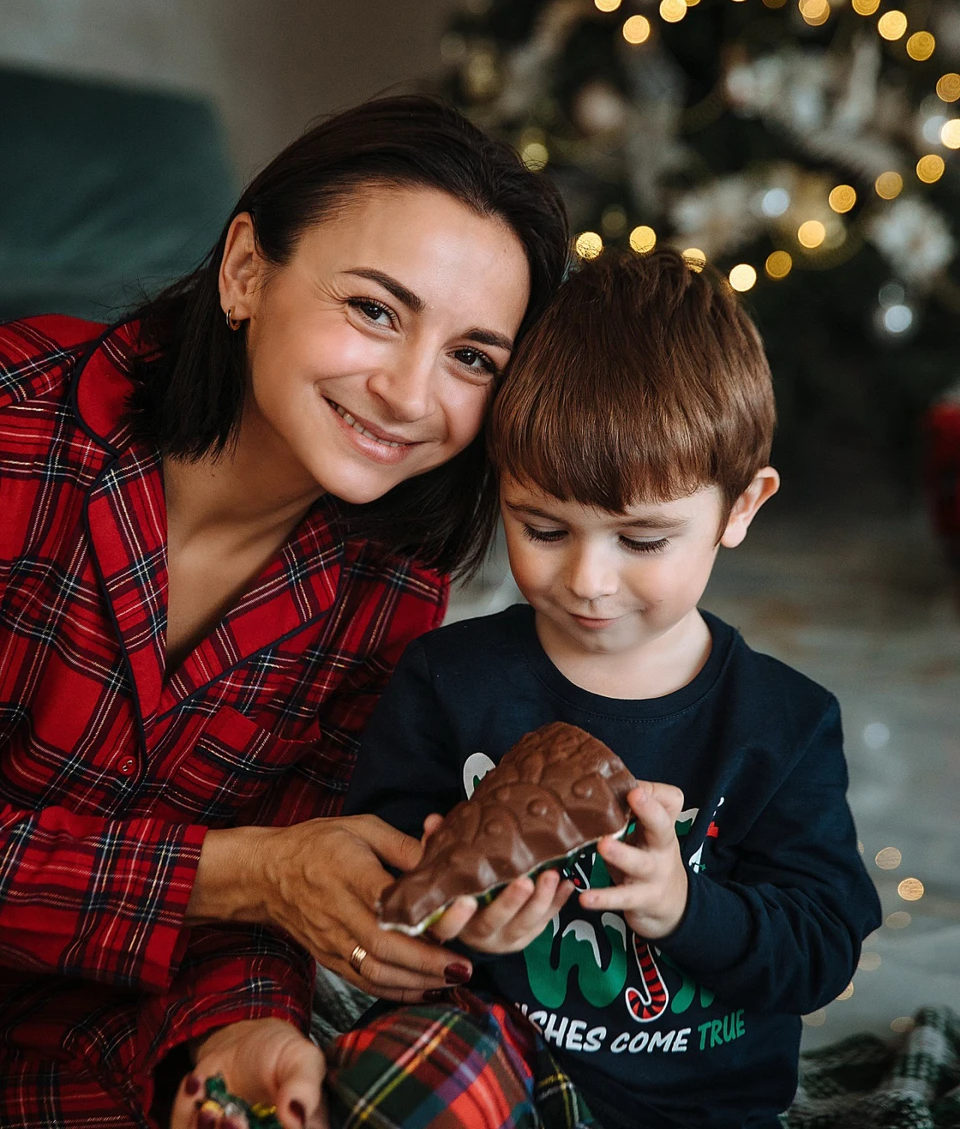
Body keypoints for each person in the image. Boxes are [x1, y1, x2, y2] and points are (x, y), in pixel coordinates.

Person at [0, 94, 570, 1128]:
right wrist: (242, 872)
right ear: (246, 272)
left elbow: (276, 884)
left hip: (89, 1037)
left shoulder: (391, 588)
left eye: (472, 357)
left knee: (466, 1072)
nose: (408, 393)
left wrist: (236, 1036)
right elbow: (256, 874)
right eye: (376, 310)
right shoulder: (16, 431)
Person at [339, 248, 883, 1129]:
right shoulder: (448, 680)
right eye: (543, 527)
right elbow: (377, 888)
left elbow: (821, 949)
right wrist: (461, 926)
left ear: (741, 508)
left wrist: (683, 906)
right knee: (376, 1082)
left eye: (642, 540)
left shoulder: (783, 724)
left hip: (702, 1107)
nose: (588, 580)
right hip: (502, 1074)